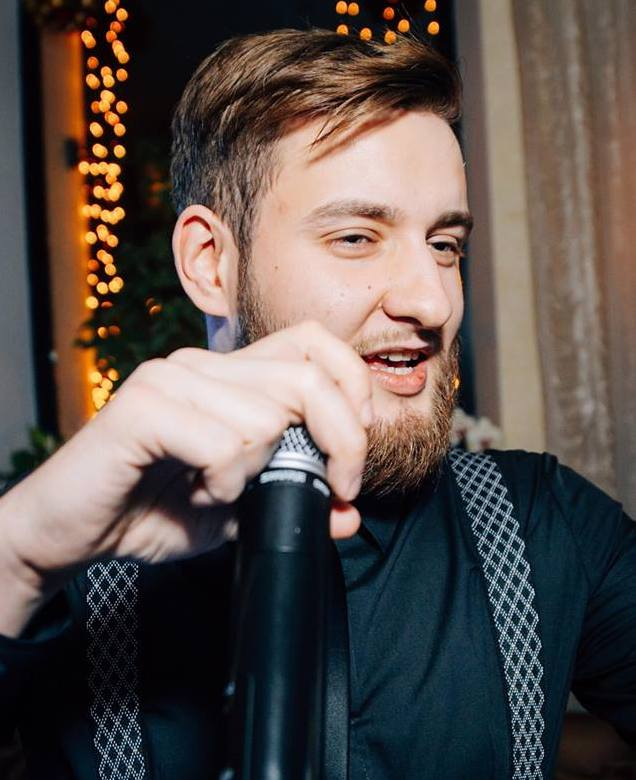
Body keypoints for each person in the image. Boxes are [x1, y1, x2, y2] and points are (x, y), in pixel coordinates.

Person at [0, 27, 634, 780]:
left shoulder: (547, 527)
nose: (433, 301)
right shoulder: (63, 554)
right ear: (210, 263)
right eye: (358, 237)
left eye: (444, 245)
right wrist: (19, 556)